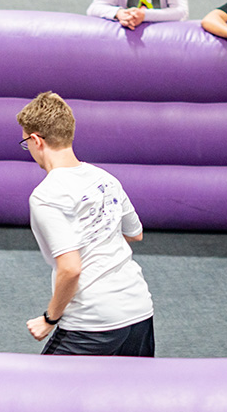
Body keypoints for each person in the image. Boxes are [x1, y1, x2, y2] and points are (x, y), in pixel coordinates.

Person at [16, 92, 154, 357]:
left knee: (47, 394)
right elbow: (135, 234)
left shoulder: (46, 195)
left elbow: (70, 269)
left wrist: (49, 319)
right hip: (138, 309)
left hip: (92, 320)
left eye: (26, 143)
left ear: (36, 140)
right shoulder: (106, 178)